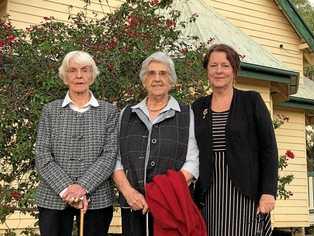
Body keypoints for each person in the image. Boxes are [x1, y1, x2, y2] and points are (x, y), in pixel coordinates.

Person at [192, 44, 278, 236]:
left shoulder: (251, 101)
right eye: (213, 65)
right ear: (207, 70)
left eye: (225, 65)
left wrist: (269, 191)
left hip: (245, 193)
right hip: (209, 194)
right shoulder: (198, 107)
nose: (219, 70)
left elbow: (269, 149)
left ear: (234, 70)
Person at [112, 51, 199, 236]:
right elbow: (116, 159)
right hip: (134, 205)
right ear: (144, 80)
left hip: (171, 203)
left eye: (163, 73)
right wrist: (128, 192)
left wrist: (161, 193)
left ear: (172, 81)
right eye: (151, 73)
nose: (157, 78)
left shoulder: (185, 113)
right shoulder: (126, 114)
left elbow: (193, 160)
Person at [35, 51, 119, 236]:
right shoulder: (50, 111)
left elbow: (109, 155)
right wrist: (67, 189)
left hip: (97, 198)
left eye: (85, 70)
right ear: (65, 77)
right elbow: (42, 154)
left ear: (92, 75)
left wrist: (83, 187)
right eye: (72, 70)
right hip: (52, 196)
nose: (79, 75)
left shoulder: (109, 112)